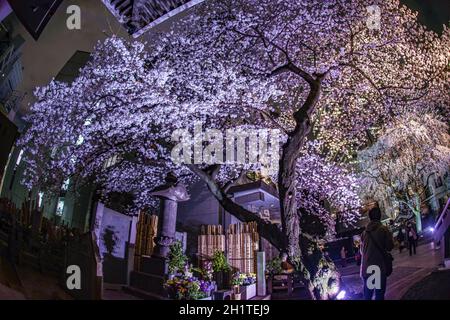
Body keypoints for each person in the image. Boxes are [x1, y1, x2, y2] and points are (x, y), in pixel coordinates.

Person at [360, 207, 394, 300]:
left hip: (366, 268)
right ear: (379, 216)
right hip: (377, 268)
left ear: (370, 218)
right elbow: (389, 247)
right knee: (379, 295)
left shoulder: (364, 233)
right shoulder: (383, 229)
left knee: (368, 296)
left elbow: (361, 251)